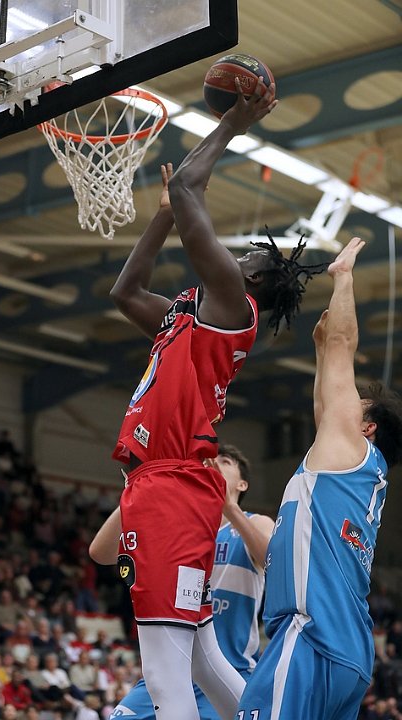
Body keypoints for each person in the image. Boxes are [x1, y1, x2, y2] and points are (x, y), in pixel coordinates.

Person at [109, 76, 326, 720]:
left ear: (254, 276)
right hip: (170, 485)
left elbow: (187, 185)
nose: (237, 254)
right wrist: (161, 217)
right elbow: (125, 292)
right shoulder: (188, 314)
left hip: (172, 486)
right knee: (203, 658)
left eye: (248, 256)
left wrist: (234, 121)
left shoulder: (234, 305)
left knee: (165, 671)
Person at [236, 237, 402, 720]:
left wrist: (343, 277)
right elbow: (324, 407)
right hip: (350, 653)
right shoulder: (354, 471)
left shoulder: (351, 448)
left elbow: (344, 345)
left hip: (310, 635)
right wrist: (320, 351)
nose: (341, 406)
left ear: (367, 427)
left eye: (355, 406)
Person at [89, 444, 274, 719]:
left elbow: (274, 560)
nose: (213, 463)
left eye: (225, 461)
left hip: (231, 669)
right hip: (171, 670)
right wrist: (137, 487)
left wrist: (230, 508)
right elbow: (101, 553)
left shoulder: (254, 522)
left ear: (242, 484)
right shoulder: (178, 525)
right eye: (209, 459)